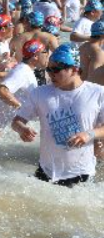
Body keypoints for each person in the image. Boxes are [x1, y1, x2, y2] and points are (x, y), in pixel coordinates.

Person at [12, 44, 104, 186]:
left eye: (56, 70)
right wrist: (21, 129)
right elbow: (17, 121)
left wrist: (88, 134)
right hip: (46, 171)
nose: (50, 74)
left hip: (81, 173)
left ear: (74, 69)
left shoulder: (97, 93)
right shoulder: (40, 93)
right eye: (48, 69)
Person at [0, 39, 48, 128]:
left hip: (14, 127)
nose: (47, 55)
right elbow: (2, 90)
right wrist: (21, 108)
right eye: (45, 52)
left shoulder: (26, 70)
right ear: (35, 56)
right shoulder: (22, 71)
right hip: (8, 128)